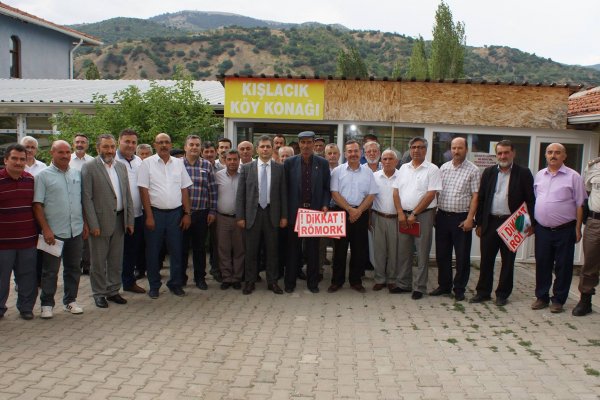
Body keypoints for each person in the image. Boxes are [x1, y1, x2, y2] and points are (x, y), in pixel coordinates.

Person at [472, 140, 535, 306]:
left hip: (512, 223)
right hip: (490, 221)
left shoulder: (523, 173)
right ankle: (483, 292)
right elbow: (482, 198)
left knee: (508, 261)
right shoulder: (489, 172)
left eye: (506, 152)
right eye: (499, 153)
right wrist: (479, 223)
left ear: (513, 153)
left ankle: (502, 294)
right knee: (486, 259)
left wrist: (530, 224)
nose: (503, 156)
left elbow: (530, 199)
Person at [33, 140, 87, 318]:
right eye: (60, 152)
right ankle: (47, 304)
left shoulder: (77, 174)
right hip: (53, 233)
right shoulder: (43, 176)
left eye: (67, 152)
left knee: (73, 268)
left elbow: (82, 201)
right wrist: (45, 229)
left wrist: (85, 224)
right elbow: (38, 205)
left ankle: (70, 301)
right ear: (52, 153)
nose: (65, 155)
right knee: (50, 271)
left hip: (75, 230)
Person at [531, 143, 586, 313]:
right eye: (549, 152)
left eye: (557, 152)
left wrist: (578, 229)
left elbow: (580, 204)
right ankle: (542, 297)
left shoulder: (573, 176)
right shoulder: (539, 175)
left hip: (565, 230)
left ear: (564, 156)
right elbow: (537, 199)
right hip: (542, 229)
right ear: (545, 155)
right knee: (542, 263)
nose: (553, 155)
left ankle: (558, 300)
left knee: (563, 266)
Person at [82, 134, 135, 308]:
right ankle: (99, 293)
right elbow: (86, 198)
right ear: (98, 148)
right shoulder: (89, 167)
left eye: (112, 147)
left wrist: (129, 220)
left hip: (119, 220)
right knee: (98, 262)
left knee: (115, 260)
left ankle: (113, 291)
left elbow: (127, 195)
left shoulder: (120, 167)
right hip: (100, 222)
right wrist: (93, 224)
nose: (110, 150)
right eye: (106, 147)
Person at [137, 133, 192, 299]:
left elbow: (184, 189)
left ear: (171, 144)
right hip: (155, 213)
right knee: (153, 252)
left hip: (176, 214)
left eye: (166, 142)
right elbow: (143, 190)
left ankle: (175, 284)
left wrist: (187, 213)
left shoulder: (179, 163)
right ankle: (154, 285)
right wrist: (148, 216)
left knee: (177, 250)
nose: (163, 145)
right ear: (155, 145)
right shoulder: (147, 163)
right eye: (160, 142)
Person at [236, 135, 288, 295]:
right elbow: (241, 195)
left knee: (272, 251)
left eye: (268, 146)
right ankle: (250, 281)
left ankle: (272, 282)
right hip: (253, 214)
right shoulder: (246, 168)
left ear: (272, 149)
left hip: (272, 214)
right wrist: (240, 217)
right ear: (257, 149)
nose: (265, 149)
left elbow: (283, 194)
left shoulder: (279, 168)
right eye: (262, 146)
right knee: (251, 251)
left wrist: (284, 216)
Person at [431, 137, 480, 302]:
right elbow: (437, 192)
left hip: (461, 218)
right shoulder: (444, 168)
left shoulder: (473, 170)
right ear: (450, 149)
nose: (456, 151)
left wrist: (470, 218)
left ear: (466, 149)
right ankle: (444, 286)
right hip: (443, 216)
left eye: (460, 148)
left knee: (462, 257)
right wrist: (434, 213)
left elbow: (475, 196)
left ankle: (459, 289)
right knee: (442, 254)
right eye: (453, 148)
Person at [393, 137, 442, 300]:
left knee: (422, 252)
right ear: (410, 149)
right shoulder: (403, 168)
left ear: (425, 150)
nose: (416, 150)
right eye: (413, 147)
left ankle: (419, 287)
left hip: (423, 216)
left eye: (420, 147)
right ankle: (403, 284)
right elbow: (396, 191)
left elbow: (431, 194)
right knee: (404, 251)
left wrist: (414, 213)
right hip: (404, 216)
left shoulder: (432, 169)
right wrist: (400, 213)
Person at [329, 140, 379, 293]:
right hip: (341, 213)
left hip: (361, 213)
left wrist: (358, 211)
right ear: (345, 154)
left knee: (358, 250)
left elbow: (371, 194)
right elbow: (334, 193)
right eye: (350, 151)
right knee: (339, 250)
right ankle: (337, 281)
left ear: (360, 153)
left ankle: (356, 281)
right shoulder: (337, 171)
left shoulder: (368, 172)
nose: (353, 154)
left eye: (356, 151)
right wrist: (350, 209)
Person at [283, 131, 330, 293]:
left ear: (314, 143)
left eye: (309, 142)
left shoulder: (322, 163)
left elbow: (326, 188)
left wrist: (325, 204)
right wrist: (285, 213)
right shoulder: (289, 163)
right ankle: (290, 283)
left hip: (314, 212)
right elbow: (284, 190)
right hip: (295, 213)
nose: (306, 146)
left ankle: (312, 283)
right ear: (299, 144)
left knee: (313, 251)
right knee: (292, 250)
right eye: (303, 142)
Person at [0, 144, 38, 320]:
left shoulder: (31, 181)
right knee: (2, 278)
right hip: (3, 243)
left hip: (27, 240)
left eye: (22, 159)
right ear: (5, 160)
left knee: (27, 277)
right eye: (14, 158)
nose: (18, 162)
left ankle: (26, 308)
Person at [182, 135, 217, 290]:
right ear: (185, 147)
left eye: (197, 145)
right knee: (181, 247)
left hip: (202, 213)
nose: (194, 147)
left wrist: (212, 211)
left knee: (199, 248)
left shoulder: (206, 165)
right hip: (182, 213)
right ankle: (180, 278)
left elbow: (213, 190)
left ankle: (200, 278)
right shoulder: (177, 164)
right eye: (191, 144)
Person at [115, 129, 146, 292]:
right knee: (114, 252)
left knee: (132, 251)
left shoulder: (138, 161)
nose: (130, 145)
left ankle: (128, 282)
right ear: (119, 141)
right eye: (127, 141)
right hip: (118, 215)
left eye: (133, 142)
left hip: (137, 214)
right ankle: (111, 286)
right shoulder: (112, 160)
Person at [370, 149, 401, 293]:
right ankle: (379, 279)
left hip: (396, 219)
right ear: (381, 161)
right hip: (378, 217)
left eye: (390, 159)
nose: (387, 161)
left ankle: (392, 280)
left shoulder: (402, 176)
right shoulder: (374, 176)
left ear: (396, 161)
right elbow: (369, 198)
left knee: (394, 251)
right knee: (379, 251)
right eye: (385, 159)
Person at [573, 155, 600, 316]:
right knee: (590, 262)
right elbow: (586, 193)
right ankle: (585, 300)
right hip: (595, 222)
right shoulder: (593, 167)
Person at [215, 150, 244, 290]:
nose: (232, 162)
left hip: (239, 218)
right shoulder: (218, 176)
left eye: (235, 159)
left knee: (239, 249)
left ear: (239, 160)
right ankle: (226, 277)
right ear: (225, 160)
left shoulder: (244, 175)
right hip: (222, 218)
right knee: (223, 249)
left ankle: (237, 278)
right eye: (229, 159)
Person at [70, 134, 94, 276]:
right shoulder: (67, 160)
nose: (80, 144)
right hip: (71, 202)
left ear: (87, 145)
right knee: (74, 234)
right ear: (73, 144)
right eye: (77, 142)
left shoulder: (92, 161)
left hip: (88, 201)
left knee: (87, 234)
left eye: (83, 142)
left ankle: (87, 264)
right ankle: (74, 264)